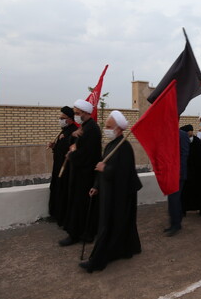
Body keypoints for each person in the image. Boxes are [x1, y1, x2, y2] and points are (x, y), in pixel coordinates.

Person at [79, 111, 142, 273]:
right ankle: (124, 250)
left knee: (110, 225)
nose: (105, 129)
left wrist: (105, 168)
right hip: (108, 192)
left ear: (119, 129)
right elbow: (102, 167)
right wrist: (96, 186)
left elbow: (123, 173)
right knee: (113, 224)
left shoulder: (124, 147)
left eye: (108, 127)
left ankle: (98, 261)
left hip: (120, 195)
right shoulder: (110, 145)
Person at [59, 99, 102, 246]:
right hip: (79, 173)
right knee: (78, 204)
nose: (76, 115)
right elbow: (76, 143)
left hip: (85, 174)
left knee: (81, 204)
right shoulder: (85, 126)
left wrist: (71, 156)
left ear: (85, 113)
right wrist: (72, 137)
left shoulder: (92, 129)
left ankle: (78, 233)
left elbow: (87, 153)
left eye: (77, 113)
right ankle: (82, 232)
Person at [48, 106, 77, 226]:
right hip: (57, 167)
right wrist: (54, 147)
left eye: (62, 118)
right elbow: (60, 150)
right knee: (56, 189)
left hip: (66, 169)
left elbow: (72, 149)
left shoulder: (74, 132)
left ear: (70, 119)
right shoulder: (63, 131)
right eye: (60, 118)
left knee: (63, 192)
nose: (60, 120)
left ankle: (63, 217)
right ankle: (55, 214)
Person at [164, 129, 190, 237]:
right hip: (170, 173)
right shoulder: (167, 134)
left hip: (178, 173)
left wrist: (179, 171)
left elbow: (184, 154)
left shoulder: (182, 135)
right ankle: (175, 223)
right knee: (172, 199)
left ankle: (175, 225)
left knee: (174, 199)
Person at [179, 125, 201, 216]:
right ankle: (182, 210)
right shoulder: (181, 142)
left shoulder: (197, 141)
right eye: (188, 131)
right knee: (184, 193)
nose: (190, 132)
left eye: (191, 131)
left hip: (198, 173)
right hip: (186, 173)